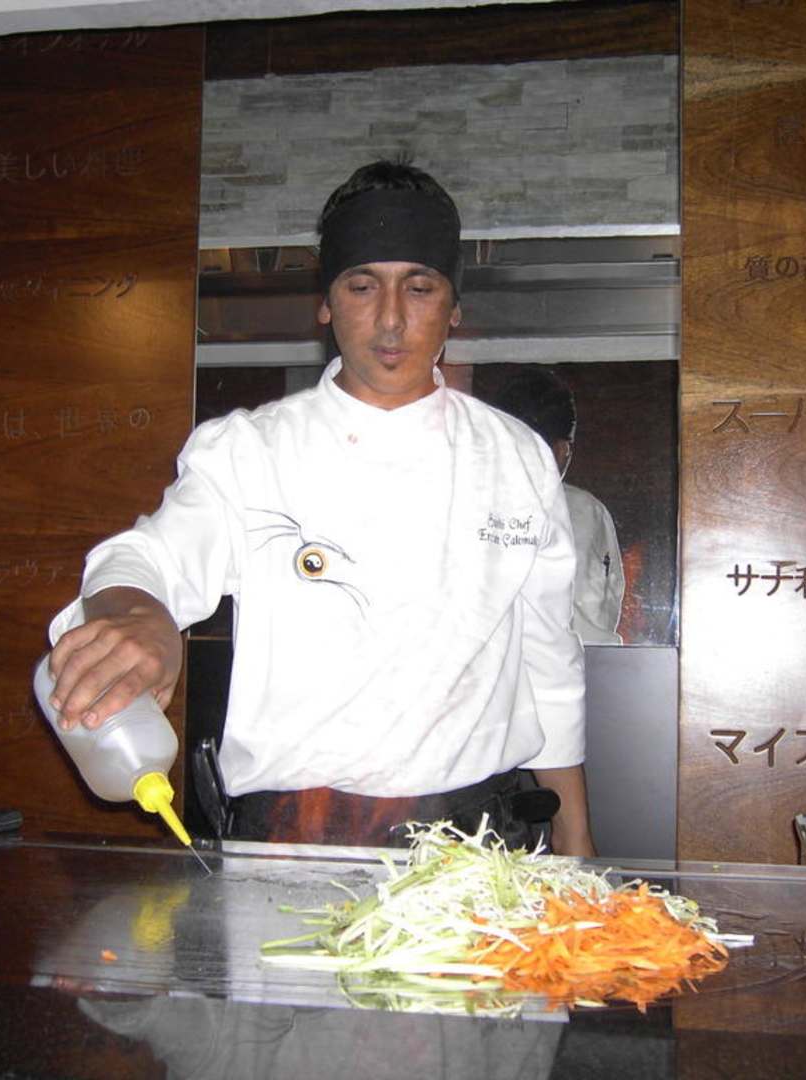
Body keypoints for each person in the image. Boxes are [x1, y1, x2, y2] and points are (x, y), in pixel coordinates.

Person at [45, 160, 593, 856]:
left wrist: (576, 834)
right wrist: (137, 615)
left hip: (476, 843)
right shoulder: (250, 450)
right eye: (362, 286)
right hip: (294, 841)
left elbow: (548, 655)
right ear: (327, 303)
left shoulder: (515, 456)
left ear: (454, 306)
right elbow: (147, 558)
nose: (391, 318)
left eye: (419, 287)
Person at [492, 369, 626, 645]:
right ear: (562, 449)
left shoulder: (461, 504)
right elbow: (597, 615)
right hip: (578, 666)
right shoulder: (585, 512)